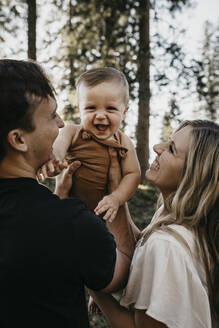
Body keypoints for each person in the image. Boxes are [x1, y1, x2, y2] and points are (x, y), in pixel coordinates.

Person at [0, 59, 135, 328]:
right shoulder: (70, 223)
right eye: (52, 116)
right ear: (19, 140)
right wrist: (116, 196)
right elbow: (121, 273)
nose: (62, 124)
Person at [89, 120, 219, 328]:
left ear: (192, 175)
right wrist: (116, 191)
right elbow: (141, 246)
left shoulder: (166, 247)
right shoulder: (178, 220)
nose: (157, 147)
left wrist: (93, 285)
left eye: (171, 149)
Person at [38, 67, 140, 223]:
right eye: (91, 108)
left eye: (111, 108)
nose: (100, 115)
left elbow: (133, 174)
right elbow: (58, 146)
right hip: (70, 210)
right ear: (80, 110)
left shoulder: (123, 142)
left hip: (105, 215)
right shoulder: (72, 132)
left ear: (124, 112)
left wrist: (116, 198)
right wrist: (55, 160)